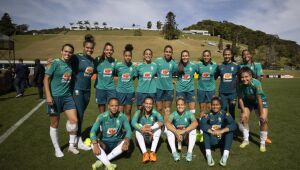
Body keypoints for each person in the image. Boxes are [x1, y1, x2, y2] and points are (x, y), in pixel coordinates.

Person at [44, 44, 79, 157]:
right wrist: (48, 96)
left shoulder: (70, 65)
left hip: (67, 97)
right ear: (61, 51)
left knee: (74, 121)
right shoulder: (55, 63)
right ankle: (57, 148)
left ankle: (71, 146)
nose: (67, 53)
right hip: (55, 97)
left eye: (70, 52)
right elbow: (46, 79)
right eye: (65, 51)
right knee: (55, 123)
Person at [239, 49, 272, 144]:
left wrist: (253, 88)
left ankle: (264, 138)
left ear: (251, 55)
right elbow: (239, 81)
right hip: (246, 97)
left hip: (256, 95)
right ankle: (246, 139)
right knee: (244, 118)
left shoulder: (256, 65)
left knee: (263, 118)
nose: (246, 56)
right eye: (244, 55)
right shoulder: (240, 66)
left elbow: (259, 78)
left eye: (247, 54)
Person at [90, 97, 132, 170]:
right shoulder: (102, 116)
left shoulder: (122, 116)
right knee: (92, 143)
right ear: (108, 106)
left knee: (126, 142)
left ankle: (102, 161)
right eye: (112, 106)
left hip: (117, 143)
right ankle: (109, 165)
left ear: (118, 106)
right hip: (105, 143)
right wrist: (95, 144)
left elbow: (129, 130)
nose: (114, 108)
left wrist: (126, 141)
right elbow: (92, 131)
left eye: (116, 106)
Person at [71, 34, 96, 150]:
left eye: (91, 48)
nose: (89, 50)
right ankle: (78, 140)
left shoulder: (92, 61)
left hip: (87, 90)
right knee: (79, 115)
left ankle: (74, 138)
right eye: (87, 47)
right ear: (83, 47)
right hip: (77, 89)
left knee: (80, 115)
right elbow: (65, 61)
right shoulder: (76, 58)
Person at [237, 67, 269, 152]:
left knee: (263, 120)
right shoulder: (239, 84)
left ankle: (262, 142)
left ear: (251, 76)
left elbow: (259, 99)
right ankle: (246, 140)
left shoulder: (256, 83)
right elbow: (240, 98)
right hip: (248, 101)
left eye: (246, 76)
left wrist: (261, 114)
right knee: (244, 118)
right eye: (242, 77)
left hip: (260, 101)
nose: (244, 79)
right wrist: (243, 112)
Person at [200, 97, 236, 167]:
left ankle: (225, 155)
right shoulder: (208, 114)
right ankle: (208, 155)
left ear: (220, 105)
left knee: (230, 132)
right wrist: (211, 131)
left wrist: (222, 131)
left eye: (217, 105)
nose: (215, 106)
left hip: (222, 140)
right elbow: (202, 124)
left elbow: (233, 125)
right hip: (212, 139)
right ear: (211, 105)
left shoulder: (225, 113)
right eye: (213, 105)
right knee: (205, 132)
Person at [131, 96, 164, 163]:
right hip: (142, 136)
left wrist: (151, 128)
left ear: (152, 105)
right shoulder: (138, 112)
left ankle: (152, 152)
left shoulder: (154, 112)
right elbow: (133, 122)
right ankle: (145, 153)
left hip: (151, 137)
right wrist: (142, 129)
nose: (148, 105)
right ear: (143, 104)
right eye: (146, 103)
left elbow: (162, 121)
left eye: (150, 104)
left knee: (158, 128)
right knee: (138, 126)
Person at [165, 97, 198, 162]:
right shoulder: (173, 114)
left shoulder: (189, 113)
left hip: (186, 138)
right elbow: (167, 123)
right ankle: (174, 152)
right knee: (167, 129)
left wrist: (184, 131)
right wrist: (176, 132)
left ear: (185, 105)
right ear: (176, 106)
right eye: (178, 105)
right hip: (177, 138)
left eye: (182, 104)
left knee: (194, 129)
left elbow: (195, 123)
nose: (180, 106)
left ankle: (189, 152)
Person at [215, 48, 240, 120]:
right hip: (222, 93)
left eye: (228, 54)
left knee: (232, 111)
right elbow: (214, 77)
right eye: (225, 54)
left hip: (233, 93)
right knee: (223, 111)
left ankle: (232, 128)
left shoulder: (236, 66)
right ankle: (223, 127)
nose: (227, 56)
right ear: (223, 55)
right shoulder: (219, 66)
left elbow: (241, 78)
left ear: (231, 55)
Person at [115, 44, 137, 121]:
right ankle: (120, 128)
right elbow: (114, 73)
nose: (128, 57)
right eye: (126, 55)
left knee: (128, 112)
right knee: (120, 112)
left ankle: (127, 128)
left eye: (129, 56)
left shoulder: (133, 67)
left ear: (131, 56)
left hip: (130, 92)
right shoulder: (118, 66)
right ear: (123, 56)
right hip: (120, 91)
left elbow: (134, 77)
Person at [95, 42, 116, 113]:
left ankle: (111, 122)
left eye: (110, 50)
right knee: (101, 106)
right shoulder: (98, 60)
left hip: (111, 88)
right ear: (104, 50)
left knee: (113, 106)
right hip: (100, 88)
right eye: (107, 50)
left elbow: (116, 73)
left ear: (113, 51)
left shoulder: (114, 61)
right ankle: (102, 123)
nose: (109, 51)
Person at [155, 45, 177, 115]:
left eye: (170, 52)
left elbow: (174, 73)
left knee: (167, 109)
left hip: (169, 89)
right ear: (164, 52)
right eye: (166, 52)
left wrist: (172, 80)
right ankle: (159, 125)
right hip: (159, 88)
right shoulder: (158, 61)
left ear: (172, 53)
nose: (168, 53)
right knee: (159, 108)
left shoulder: (173, 63)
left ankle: (166, 126)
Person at [175, 50, 198, 114]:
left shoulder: (193, 66)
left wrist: (197, 77)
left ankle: (191, 123)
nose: (185, 57)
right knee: (180, 109)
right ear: (181, 57)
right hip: (180, 90)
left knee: (192, 110)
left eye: (186, 56)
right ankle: (180, 123)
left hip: (190, 90)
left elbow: (200, 72)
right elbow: (170, 73)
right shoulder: (177, 66)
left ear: (188, 56)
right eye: (183, 56)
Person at [196, 50, 218, 117]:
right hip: (201, 89)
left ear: (210, 56)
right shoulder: (199, 65)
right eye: (204, 56)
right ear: (203, 57)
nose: (206, 57)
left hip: (211, 90)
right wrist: (198, 77)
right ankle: (202, 124)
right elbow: (195, 74)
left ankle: (212, 124)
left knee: (211, 108)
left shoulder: (214, 65)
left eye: (207, 56)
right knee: (202, 109)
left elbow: (217, 75)